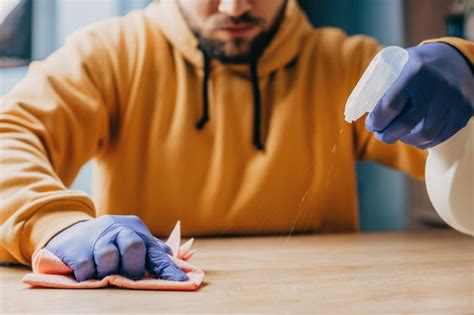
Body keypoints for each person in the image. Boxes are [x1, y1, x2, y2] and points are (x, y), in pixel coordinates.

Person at [0, 0, 472, 282]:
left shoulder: (341, 64)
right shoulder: (110, 57)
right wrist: (53, 223)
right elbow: (11, 134)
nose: (233, 7)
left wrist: (467, 68)